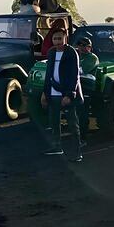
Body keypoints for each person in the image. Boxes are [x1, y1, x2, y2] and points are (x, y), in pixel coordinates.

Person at [40, 28, 84, 162]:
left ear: (65, 39)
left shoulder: (71, 52)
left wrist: (70, 94)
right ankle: (56, 147)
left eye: (60, 38)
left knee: (72, 124)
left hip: (67, 93)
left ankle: (77, 152)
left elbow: (75, 75)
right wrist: (45, 93)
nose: (57, 41)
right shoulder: (52, 52)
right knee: (54, 122)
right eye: (55, 39)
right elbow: (48, 74)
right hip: (53, 92)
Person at [75, 36, 99, 145]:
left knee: (83, 113)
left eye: (88, 46)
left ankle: (83, 138)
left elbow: (81, 70)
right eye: (83, 46)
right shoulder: (75, 56)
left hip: (86, 88)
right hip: (75, 87)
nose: (86, 49)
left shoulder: (92, 58)